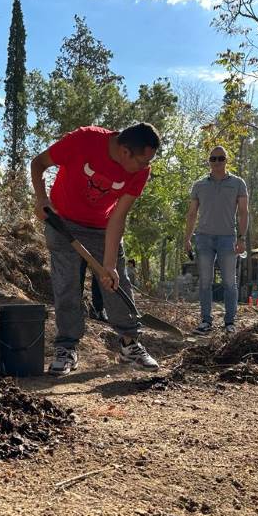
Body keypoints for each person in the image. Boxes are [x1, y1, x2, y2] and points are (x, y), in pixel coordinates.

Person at [31, 123, 160, 375]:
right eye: (142, 161)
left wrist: (109, 265)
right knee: (67, 285)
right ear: (125, 152)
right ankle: (66, 348)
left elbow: (118, 217)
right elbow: (38, 163)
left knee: (115, 283)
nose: (145, 167)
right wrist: (41, 198)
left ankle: (129, 345)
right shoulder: (83, 140)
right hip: (63, 223)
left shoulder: (140, 171)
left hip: (103, 228)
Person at [184, 146, 249, 335]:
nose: (217, 162)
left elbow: (244, 212)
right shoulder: (199, 185)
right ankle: (205, 321)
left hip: (228, 238)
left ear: (226, 160)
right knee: (205, 281)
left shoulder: (238, 183)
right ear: (209, 161)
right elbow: (191, 214)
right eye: (213, 159)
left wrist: (242, 238)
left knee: (230, 282)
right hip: (203, 238)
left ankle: (230, 322)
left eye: (221, 158)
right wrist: (187, 238)